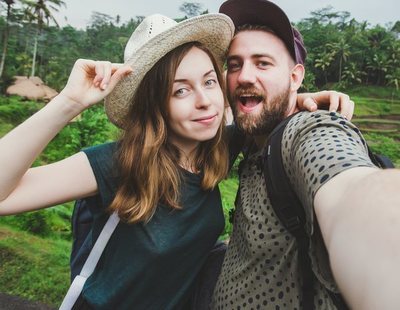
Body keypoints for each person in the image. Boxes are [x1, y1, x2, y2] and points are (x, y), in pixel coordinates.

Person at [0, 12, 349, 309]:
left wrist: (299, 98)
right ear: (156, 104)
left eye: (209, 82)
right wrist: (69, 102)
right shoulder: (118, 163)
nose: (204, 101)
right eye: (180, 90)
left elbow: (261, 112)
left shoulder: (217, 149)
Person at [212, 0, 400, 309]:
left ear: (296, 77)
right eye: (234, 64)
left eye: (263, 63)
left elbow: (348, 186)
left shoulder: (309, 130)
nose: (244, 76)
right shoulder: (250, 138)